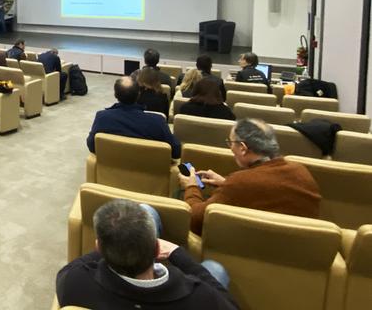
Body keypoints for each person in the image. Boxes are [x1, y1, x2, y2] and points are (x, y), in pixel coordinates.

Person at [56, 199, 238, 309]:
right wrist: (178, 254)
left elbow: (73, 267)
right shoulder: (201, 297)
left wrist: (115, 243)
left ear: (99, 248)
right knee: (214, 269)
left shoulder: (74, 282)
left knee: (146, 211)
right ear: (158, 250)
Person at [179, 118, 321, 234]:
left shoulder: (240, 183)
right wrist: (225, 183)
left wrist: (191, 187)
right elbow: (268, 193)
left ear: (242, 148)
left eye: (230, 143)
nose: (230, 148)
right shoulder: (302, 172)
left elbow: (194, 220)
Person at [87, 76, 181, 158]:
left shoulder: (102, 117)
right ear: (138, 95)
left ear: (115, 95)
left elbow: (92, 145)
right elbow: (176, 151)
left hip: (112, 175)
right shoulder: (158, 121)